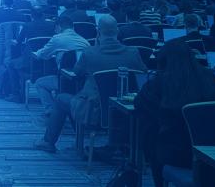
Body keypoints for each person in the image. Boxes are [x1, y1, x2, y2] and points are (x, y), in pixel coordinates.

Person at [35, 15, 146, 153]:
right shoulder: (133, 53)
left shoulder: (89, 53)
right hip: (126, 112)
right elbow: (143, 74)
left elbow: (76, 73)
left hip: (93, 112)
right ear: (118, 32)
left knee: (60, 98)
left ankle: (48, 142)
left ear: (98, 32)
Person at [134, 42, 215, 187]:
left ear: (162, 60)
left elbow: (139, 105)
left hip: (175, 154)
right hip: (213, 154)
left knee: (151, 129)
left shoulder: (157, 84)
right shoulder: (210, 78)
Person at [31, 16, 90, 114]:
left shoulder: (57, 39)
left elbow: (43, 54)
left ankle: (50, 111)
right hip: (83, 83)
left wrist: (37, 53)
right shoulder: (85, 42)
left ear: (59, 27)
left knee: (40, 83)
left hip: (64, 81)